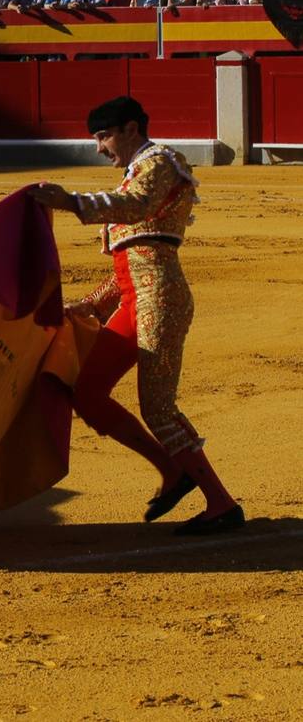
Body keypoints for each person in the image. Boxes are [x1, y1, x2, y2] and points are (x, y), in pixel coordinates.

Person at [28, 96, 245, 536]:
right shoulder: (134, 176)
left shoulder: (159, 162)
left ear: (130, 129)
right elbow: (135, 257)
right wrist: (91, 304)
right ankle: (171, 468)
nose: (99, 148)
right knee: (87, 392)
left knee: (159, 407)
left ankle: (221, 504)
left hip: (161, 298)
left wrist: (72, 202)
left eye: (104, 136)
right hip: (136, 298)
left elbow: (140, 210)